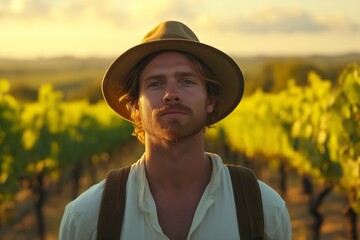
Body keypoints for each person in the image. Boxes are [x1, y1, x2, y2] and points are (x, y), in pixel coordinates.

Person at [59, 20, 291, 240]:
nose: (171, 93)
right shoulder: (86, 218)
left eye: (187, 81)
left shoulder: (264, 210)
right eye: (156, 83)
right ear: (135, 108)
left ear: (210, 101)